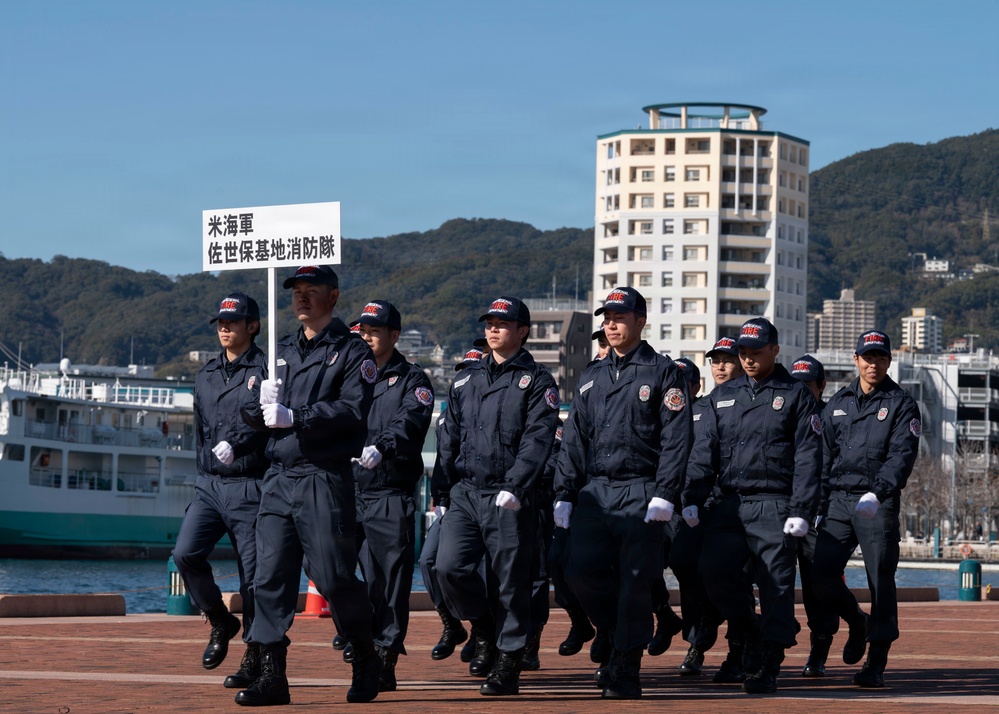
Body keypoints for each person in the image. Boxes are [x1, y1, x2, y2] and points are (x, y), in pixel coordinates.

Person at [237, 264, 381, 706]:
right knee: (268, 578)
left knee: (334, 577)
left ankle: (365, 653)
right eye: (296, 290)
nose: (301, 297)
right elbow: (253, 409)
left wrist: (297, 416)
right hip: (279, 476)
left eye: (311, 290)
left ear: (332, 296)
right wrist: (258, 407)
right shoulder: (279, 349)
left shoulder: (352, 351)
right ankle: (272, 674)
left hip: (323, 476)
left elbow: (353, 410)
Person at [554, 286, 693, 700]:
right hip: (596, 490)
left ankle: (626, 667)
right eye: (607, 318)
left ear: (640, 321)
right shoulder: (592, 375)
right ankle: (615, 631)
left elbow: (677, 438)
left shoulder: (663, 372)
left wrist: (665, 492)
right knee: (578, 571)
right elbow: (574, 438)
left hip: (641, 488)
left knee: (634, 581)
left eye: (619, 317)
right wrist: (565, 491)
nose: (611, 325)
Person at [685, 317, 821, 695]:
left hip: (775, 503)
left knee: (775, 585)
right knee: (712, 572)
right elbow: (704, 452)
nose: (747, 359)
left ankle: (769, 664)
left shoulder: (795, 395)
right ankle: (748, 628)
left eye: (756, 352)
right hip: (729, 504)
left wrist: (802, 510)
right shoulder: (722, 396)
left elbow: (809, 457)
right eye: (743, 352)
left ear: (775, 350)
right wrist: (691, 498)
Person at [436, 296, 560, 697]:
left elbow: (538, 439)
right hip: (466, 492)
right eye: (489, 323)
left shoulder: (537, 381)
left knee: (511, 581)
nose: (493, 329)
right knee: (448, 567)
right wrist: (443, 490)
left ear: (522, 331)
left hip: (508, 494)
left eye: (502, 324)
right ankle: (484, 626)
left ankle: (509, 661)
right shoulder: (465, 379)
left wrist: (517, 484)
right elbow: (449, 439)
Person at [810, 330, 920, 688]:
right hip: (838, 501)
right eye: (868, 357)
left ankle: (876, 661)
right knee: (820, 574)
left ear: (889, 361)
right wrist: (817, 502)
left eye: (881, 358)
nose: (874, 364)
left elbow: (902, 455)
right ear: (856, 359)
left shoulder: (901, 403)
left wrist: (879, 491)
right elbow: (823, 456)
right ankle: (857, 620)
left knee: (881, 581)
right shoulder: (838, 402)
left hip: (877, 501)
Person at [173, 292, 269, 687]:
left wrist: (242, 447)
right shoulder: (206, 374)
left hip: (251, 484)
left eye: (233, 321)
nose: (224, 327)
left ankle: (254, 655)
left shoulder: (267, 370)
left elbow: (269, 424)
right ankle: (219, 619)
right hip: (210, 485)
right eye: (221, 322)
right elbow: (201, 431)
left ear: (253, 326)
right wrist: (203, 474)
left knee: (253, 578)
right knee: (185, 554)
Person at [351, 300, 435, 692]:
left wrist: (381, 447)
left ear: (394, 335)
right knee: (328, 568)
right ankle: (358, 631)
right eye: (362, 330)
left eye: (374, 331)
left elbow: (410, 422)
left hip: (388, 489)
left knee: (389, 581)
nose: (366, 337)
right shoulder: (350, 374)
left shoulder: (412, 379)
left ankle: (384, 654)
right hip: (347, 489)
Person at [420, 346, 483, 664]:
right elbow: (442, 459)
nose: (466, 377)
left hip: (488, 498)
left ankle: (482, 632)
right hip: (454, 499)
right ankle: (451, 624)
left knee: (482, 570)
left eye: (473, 370)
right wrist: (439, 496)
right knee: (429, 561)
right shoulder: (448, 416)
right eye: (463, 371)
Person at [788, 354, 839, 677]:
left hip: (817, 515)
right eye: (796, 385)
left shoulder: (830, 418)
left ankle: (819, 650)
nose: (802, 391)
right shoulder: (782, 412)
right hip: (782, 509)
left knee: (816, 586)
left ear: (821, 386)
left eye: (808, 385)